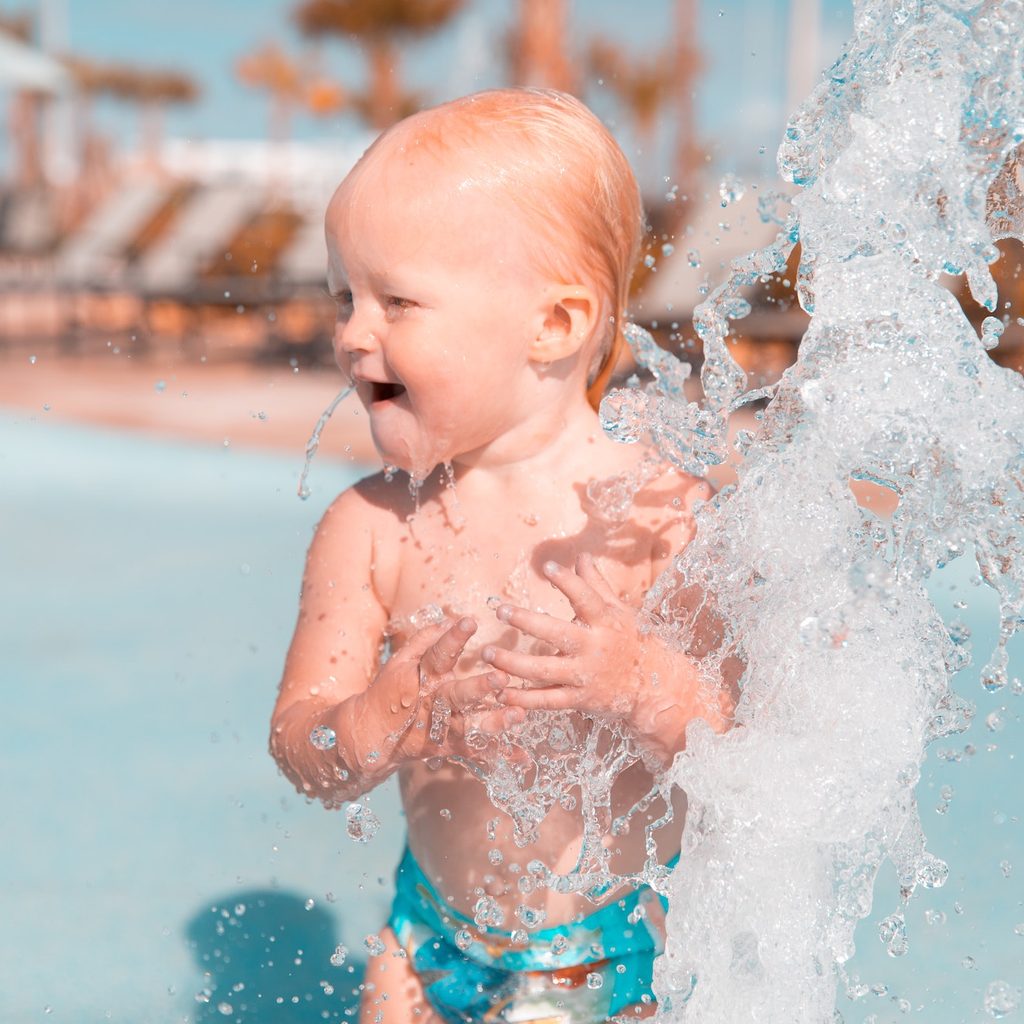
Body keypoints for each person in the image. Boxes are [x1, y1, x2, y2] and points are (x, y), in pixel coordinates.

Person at [269, 88, 733, 1024]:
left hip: (620, 948)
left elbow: (743, 756)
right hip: (429, 936)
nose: (353, 332)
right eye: (345, 298)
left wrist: (642, 683)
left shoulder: (663, 521)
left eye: (397, 301)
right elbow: (300, 746)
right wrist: (369, 724)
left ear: (554, 325)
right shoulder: (371, 527)